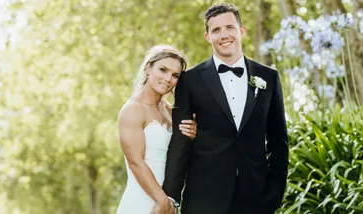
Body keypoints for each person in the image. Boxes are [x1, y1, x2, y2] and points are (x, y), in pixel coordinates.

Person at [161, 3, 289, 214]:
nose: (224, 35)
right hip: (203, 199)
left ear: (241, 31)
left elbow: (278, 142)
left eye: (229, 27)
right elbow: (180, 141)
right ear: (207, 36)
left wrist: (275, 194)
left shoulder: (269, 77)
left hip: (256, 199)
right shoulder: (189, 80)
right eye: (216, 30)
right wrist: (171, 196)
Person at [116, 44, 197, 214]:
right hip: (143, 199)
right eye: (163, 70)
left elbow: (179, 154)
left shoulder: (170, 111)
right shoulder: (132, 110)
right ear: (148, 68)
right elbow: (135, 163)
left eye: (175, 75)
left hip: (169, 200)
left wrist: (192, 134)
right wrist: (161, 200)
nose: (168, 79)